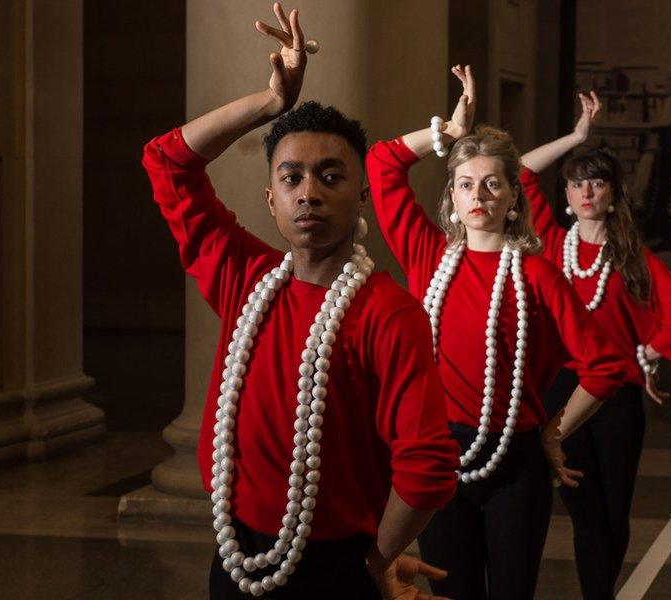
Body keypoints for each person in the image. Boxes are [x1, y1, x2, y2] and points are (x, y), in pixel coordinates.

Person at [141, 4, 458, 598]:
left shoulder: (388, 312)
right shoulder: (248, 277)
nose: (308, 192)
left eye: (331, 176)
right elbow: (167, 160)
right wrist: (269, 106)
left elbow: (427, 467)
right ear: (270, 198)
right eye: (292, 177)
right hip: (236, 558)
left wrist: (376, 561)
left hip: (337, 567)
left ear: (361, 196)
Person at [366, 66, 628, 599]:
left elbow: (605, 366)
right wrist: (445, 134)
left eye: (492, 183)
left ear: (514, 196)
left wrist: (553, 431)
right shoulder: (426, 256)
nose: (478, 194)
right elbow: (382, 163)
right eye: (465, 184)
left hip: (515, 466)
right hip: (439, 462)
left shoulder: (537, 274)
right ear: (453, 198)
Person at [520, 91, 671, 599]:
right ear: (567, 195)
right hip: (563, 392)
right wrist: (577, 137)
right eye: (577, 183)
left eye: (596, 183)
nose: (585, 191)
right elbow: (518, 171)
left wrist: (649, 354)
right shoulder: (551, 244)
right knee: (584, 510)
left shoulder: (632, 256)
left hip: (618, 395)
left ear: (612, 194)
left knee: (613, 511)